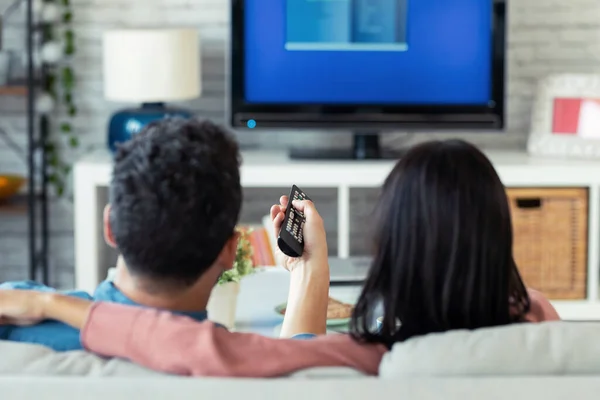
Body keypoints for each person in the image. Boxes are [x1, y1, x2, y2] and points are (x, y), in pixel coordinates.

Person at [0, 139, 560, 376]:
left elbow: (242, 354)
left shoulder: (370, 358)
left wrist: (51, 302)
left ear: (110, 227)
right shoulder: (546, 328)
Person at [0, 117, 331, 351]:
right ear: (230, 251)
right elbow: (301, 360)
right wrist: (310, 267)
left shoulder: (15, 317)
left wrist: (45, 303)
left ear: (110, 226)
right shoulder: (240, 364)